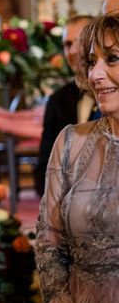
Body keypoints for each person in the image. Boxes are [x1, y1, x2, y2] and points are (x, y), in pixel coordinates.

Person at [32, 14, 119, 303]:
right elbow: (49, 240)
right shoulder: (70, 141)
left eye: (112, 59)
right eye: (92, 61)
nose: (96, 75)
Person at [35, 15, 94, 196]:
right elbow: (43, 168)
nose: (74, 50)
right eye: (68, 44)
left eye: (80, 41)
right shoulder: (57, 101)